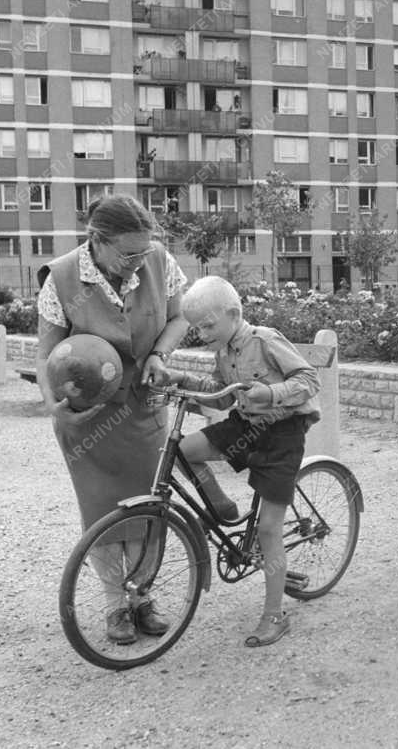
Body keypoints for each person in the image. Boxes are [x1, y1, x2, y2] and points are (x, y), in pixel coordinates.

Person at [35, 195, 232, 646]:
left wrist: (160, 354)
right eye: (128, 254)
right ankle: (114, 606)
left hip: (143, 409)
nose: (138, 262)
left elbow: (180, 315)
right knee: (101, 512)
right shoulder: (63, 278)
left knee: (149, 508)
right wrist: (52, 403)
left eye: (144, 252)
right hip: (87, 420)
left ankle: (142, 597)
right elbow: (47, 352)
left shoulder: (156, 262)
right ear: (96, 242)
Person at [155, 276, 321, 647]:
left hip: (282, 434)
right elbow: (221, 397)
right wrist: (179, 378)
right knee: (181, 449)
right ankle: (223, 509)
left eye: (207, 325)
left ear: (233, 314)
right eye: (196, 328)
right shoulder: (224, 350)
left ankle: (274, 615)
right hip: (243, 425)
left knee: (268, 530)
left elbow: (309, 380)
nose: (200, 333)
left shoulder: (265, 340)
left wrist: (272, 392)